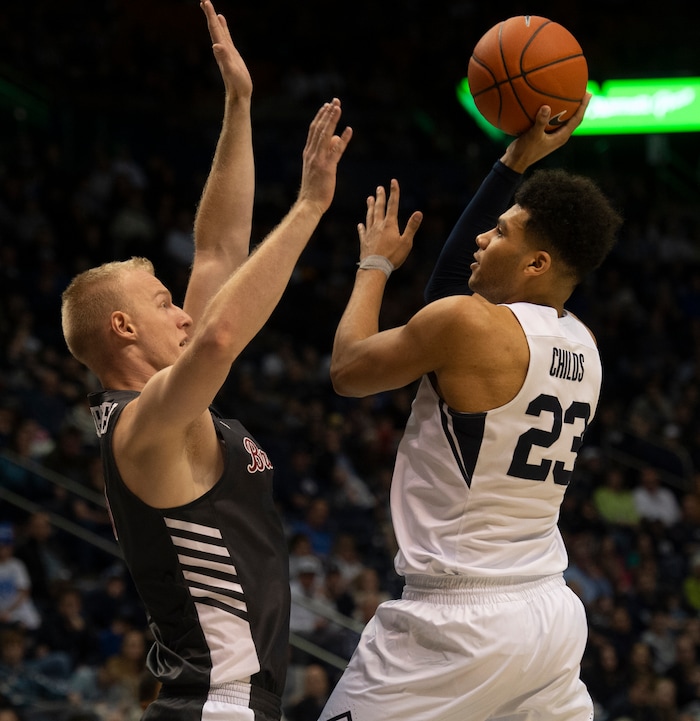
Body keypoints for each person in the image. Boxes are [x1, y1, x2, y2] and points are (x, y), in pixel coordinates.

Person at [59, 2, 351, 720]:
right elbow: (220, 337)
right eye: (164, 301)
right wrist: (311, 207)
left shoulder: (162, 406)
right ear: (123, 327)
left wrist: (239, 104)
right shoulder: (141, 427)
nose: (183, 309)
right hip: (217, 705)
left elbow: (219, 248)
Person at [319, 95, 623, 721]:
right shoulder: (583, 344)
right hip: (549, 612)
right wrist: (514, 160)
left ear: (537, 263)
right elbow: (453, 292)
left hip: (459, 621)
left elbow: (348, 371)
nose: (485, 234)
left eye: (503, 231)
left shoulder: (466, 325)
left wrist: (374, 263)